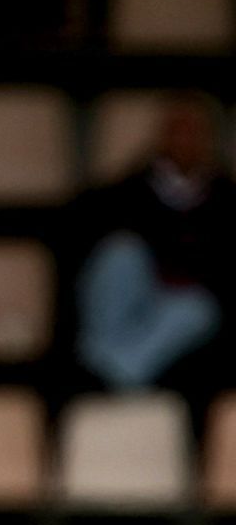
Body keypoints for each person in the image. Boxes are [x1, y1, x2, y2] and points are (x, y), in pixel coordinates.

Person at [72, 93, 235, 394]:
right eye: (176, 129)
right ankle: (121, 366)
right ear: (160, 136)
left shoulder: (227, 199)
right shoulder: (117, 194)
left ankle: (113, 372)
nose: (185, 140)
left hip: (180, 313)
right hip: (124, 303)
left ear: (209, 140)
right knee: (120, 252)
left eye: (195, 132)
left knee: (198, 309)